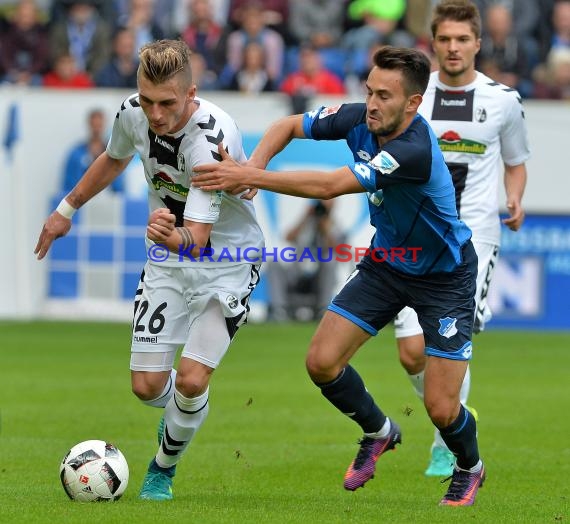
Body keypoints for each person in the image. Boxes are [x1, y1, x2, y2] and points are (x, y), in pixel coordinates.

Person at [193, 45, 485, 506]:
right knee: (321, 362)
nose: (372, 103)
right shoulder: (358, 118)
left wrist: (244, 176)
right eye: (369, 91)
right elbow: (288, 125)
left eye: (385, 96)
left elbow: (330, 186)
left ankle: (470, 466)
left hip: (444, 276)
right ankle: (379, 430)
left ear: (412, 103)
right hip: (388, 263)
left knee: (442, 408)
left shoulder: (413, 150)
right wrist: (252, 167)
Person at [34, 39, 264, 501]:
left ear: (191, 94)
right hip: (166, 261)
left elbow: (197, 242)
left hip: (227, 262)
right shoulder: (131, 112)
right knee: (146, 387)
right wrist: (66, 209)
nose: (155, 114)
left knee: (195, 377)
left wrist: (169, 233)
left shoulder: (210, 138)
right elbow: (115, 157)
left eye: (167, 103)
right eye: (147, 100)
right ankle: (185, 407)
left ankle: (163, 467)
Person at [392, 0, 529, 478]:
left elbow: (516, 161)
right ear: (433, 43)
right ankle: (452, 414)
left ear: (477, 43)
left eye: (462, 39)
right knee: (412, 349)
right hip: (412, 234)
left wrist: (515, 198)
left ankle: (446, 441)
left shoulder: (503, 100)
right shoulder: (411, 96)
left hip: (474, 237)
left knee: (450, 336)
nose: (453, 48)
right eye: (445, 39)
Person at [267, 199, 341, 322]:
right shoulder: (306, 223)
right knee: (273, 263)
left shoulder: (335, 226)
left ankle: (323, 310)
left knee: (330, 263)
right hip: (298, 271)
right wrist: (305, 217)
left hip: (319, 277)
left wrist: (325, 227)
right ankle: (279, 311)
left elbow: (336, 249)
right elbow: (288, 237)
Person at [61, 108, 124, 193]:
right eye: (94, 125)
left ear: (104, 125)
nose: (96, 129)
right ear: (89, 125)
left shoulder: (114, 154)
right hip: (81, 200)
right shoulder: (76, 154)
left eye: (99, 125)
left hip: (107, 201)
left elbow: (119, 186)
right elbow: (68, 185)